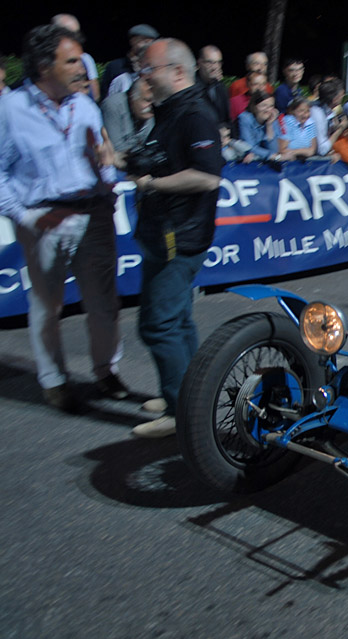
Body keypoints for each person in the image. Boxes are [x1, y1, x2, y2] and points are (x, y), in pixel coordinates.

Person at [0, 24, 125, 412]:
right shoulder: (10, 110)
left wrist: (108, 184)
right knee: (48, 307)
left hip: (95, 215)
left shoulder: (86, 106)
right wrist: (25, 216)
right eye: (72, 61)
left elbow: (102, 158)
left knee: (104, 302)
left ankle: (106, 371)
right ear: (44, 66)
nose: (82, 68)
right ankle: (54, 381)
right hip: (44, 219)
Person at [130, 37, 223, 438]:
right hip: (164, 234)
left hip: (179, 238)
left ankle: (180, 410)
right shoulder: (171, 111)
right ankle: (186, 394)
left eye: (149, 70)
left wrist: (152, 183)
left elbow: (207, 174)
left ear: (178, 72)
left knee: (158, 323)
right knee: (178, 319)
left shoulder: (195, 114)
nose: (143, 78)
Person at [101, 24, 159, 98]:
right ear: (133, 41)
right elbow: (105, 97)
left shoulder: (154, 67)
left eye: (151, 42)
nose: (148, 45)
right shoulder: (115, 67)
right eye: (144, 41)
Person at [50, 14, 99, 101]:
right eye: (69, 34)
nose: (74, 38)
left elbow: (94, 94)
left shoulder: (86, 59)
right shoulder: (44, 61)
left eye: (76, 33)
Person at [101, 77, 153, 155]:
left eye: (154, 101)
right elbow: (116, 149)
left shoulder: (148, 111)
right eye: (147, 100)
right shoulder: (113, 106)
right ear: (132, 97)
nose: (151, 106)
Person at [238, 91, 283, 162]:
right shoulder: (245, 118)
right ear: (254, 107)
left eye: (271, 106)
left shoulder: (272, 120)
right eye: (264, 105)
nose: (268, 110)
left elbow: (274, 150)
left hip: (261, 159)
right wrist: (269, 155)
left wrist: (269, 126)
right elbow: (249, 147)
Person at [195, 45, 228, 125]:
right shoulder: (192, 87)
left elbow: (227, 119)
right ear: (199, 63)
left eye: (218, 62)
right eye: (210, 62)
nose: (215, 67)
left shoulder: (220, 87)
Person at [278, 96, 317, 160]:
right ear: (293, 111)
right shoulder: (288, 122)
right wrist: (303, 151)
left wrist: (294, 152)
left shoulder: (310, 123)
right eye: (301, 111)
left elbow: (312, 150)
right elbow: (282, 150)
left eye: (307, 111)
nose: (305, 115)